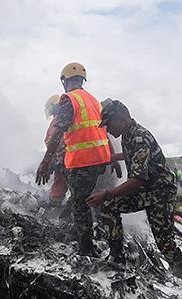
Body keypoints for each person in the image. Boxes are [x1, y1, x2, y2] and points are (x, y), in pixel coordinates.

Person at [87, 99, 182, 299]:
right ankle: (117, 256)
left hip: (160, 194)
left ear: (120, 118)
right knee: (109, 206)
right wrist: (114, 157)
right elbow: (132, 155)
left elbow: (138, 180)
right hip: (147, 191)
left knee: (165, 242)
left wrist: (107, 193)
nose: (107, 129)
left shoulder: (139, 136)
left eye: (108, 124)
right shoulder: (128, 133)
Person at [36, 63, 120, 256]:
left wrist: (45, 162)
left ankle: (86, 250)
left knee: (80, 207)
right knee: (97, 201)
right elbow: (104, 131)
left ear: (65, 81)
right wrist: (112, 157)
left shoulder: (69, 99)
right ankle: (114, 247)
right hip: (100, 161)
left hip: (82, 162)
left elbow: (57, 133)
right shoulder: (92, 100)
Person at [43, 94, 69, 206]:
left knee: (58, 187)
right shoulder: (64, 117)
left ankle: (54, 206)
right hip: (68, 157)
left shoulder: (58, 120)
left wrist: (50, 161)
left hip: (63, 158)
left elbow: (55, 141)